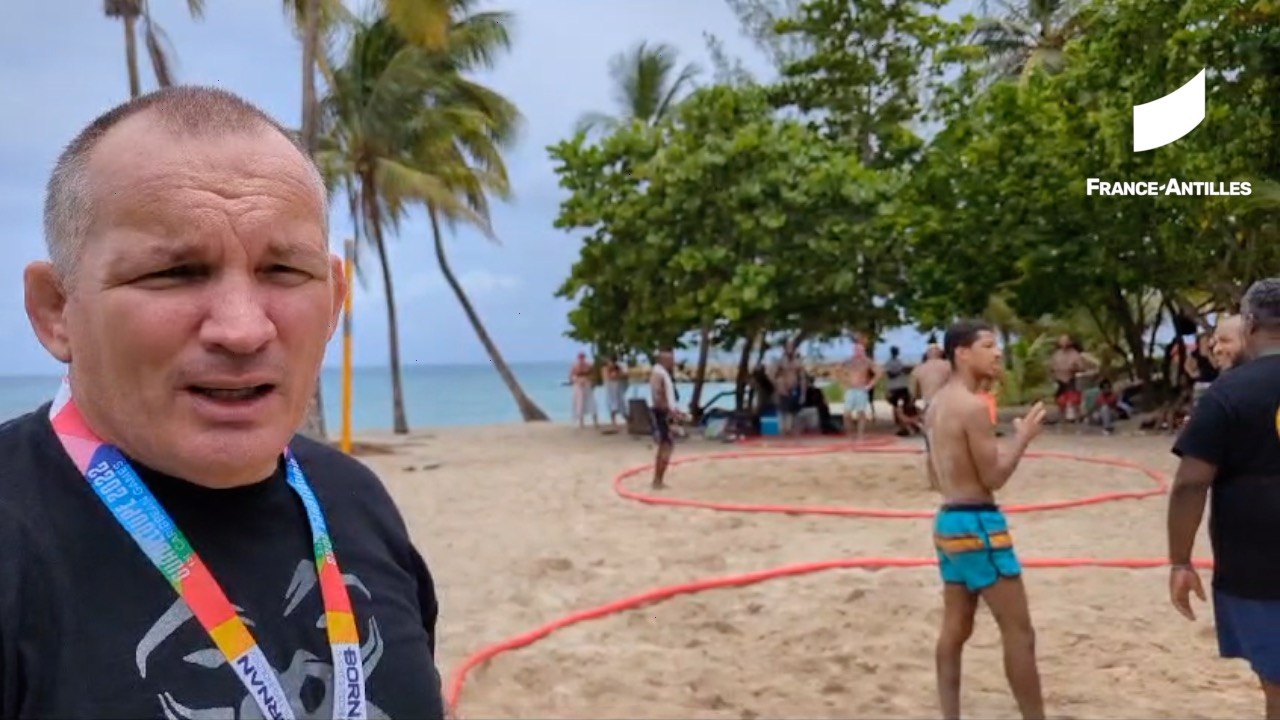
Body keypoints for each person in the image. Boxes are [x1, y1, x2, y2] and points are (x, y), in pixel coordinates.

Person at [4, 86, 444, 717]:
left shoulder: (355, 498)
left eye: (284, 271)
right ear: (56, 310)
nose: (242, 329)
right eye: (174, 273)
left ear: (334, 301)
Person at [1167, 279, 1280, 719]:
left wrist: (1180, 560)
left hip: (1256, 565)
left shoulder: (1228, 394)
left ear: (1250, 324)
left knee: (1276, 686)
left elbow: (1190, 483)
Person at [924, 320, 1047, 720]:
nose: (997, 353)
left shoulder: (937, 404)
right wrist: (1023, 437)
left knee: (956, 628)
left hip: (947, 522)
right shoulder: (972, 407)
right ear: (962, 352)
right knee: (1019, 631)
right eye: (988, 345)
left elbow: (931, 474)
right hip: (978, 524)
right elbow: (994, 477)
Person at [649, 349, 688, 489]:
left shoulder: (662, 373)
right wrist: (669, 413)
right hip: (662, 413)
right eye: (669, 360)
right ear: (662, 361)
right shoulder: (658, 374)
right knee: (665, 446)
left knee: (667, 445)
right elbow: (658, 395)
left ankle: (658, 480)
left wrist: (675, 411)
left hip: (665, 412)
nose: (672, 363)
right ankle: (657, 480)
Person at [842, 335, 882, 443]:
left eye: (860, 350)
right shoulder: (849, 361)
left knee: (861, 413)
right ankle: (849, 435)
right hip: (850, 389)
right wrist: (844, 383)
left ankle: (860, 436)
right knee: (846, 414)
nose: (858, 352)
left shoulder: (867, 361)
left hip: (861, 389)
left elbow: (879, 372)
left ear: (863, 351)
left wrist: (870, 385)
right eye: (856, 350)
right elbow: (837, 370)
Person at [1048, 334, 1093, 423]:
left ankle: (1075, 416)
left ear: (1069, 342)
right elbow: (1051, 367)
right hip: (1059, 380)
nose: (1063, 343)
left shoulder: (1075, 354)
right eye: (1062, 341)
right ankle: (1063, 416)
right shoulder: (1057, 354)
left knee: (1073, 399)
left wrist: (1074, 368)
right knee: (1060, 399)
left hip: (1071, 379)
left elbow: (1082, 367)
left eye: (1065, 341)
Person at [770, 339, 807, 436]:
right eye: (788, 347)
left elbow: (803, 378)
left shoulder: (798, 361)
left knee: (792, 413)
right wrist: (778, 386)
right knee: (782, 412)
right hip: (782, 390)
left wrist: (803, 394)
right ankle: (783, 433)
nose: (790, 349)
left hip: (794, 389)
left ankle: (790, 433)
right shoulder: (780, 361)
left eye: (792, 347)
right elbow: (772, 375)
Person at [883, 346, 916, 437]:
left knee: (902, 408)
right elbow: (889, 374)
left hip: (901, 387)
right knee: (897, 408)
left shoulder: (898, 361)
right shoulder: (890, 363)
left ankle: (905, 426)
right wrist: (900, 372)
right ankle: (903, 426)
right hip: (895, 388)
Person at [911, 343, 951, 411]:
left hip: (928, 406)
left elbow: (914, 394)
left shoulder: (918, 369)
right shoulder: (950, 365)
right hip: (947, 405)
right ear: (941, 353)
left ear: (927, 354)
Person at [569, 352, 598, 429]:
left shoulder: (589, 365)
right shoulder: (575, 366)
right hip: (578, 386)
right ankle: (581, 422)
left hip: (587, 385)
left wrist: (592, 382)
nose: (581, 359)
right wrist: (576, 380)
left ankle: (595, 422)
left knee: (591, 403)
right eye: (580, 358)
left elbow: (593, 375)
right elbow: (571, 376)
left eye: (583, 357)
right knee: (579, 403)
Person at [602, 355, 629, 427]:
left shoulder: (618, 367)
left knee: (622, 405)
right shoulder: (605, 368)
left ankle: (627, 420)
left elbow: (623, 375)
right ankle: (614, 422)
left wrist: (617, 375)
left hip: (618, 389)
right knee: (612, 405)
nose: (609, 363)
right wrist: (615, 376)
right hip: (610, 390)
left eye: (610, 361)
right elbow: (608, 377)